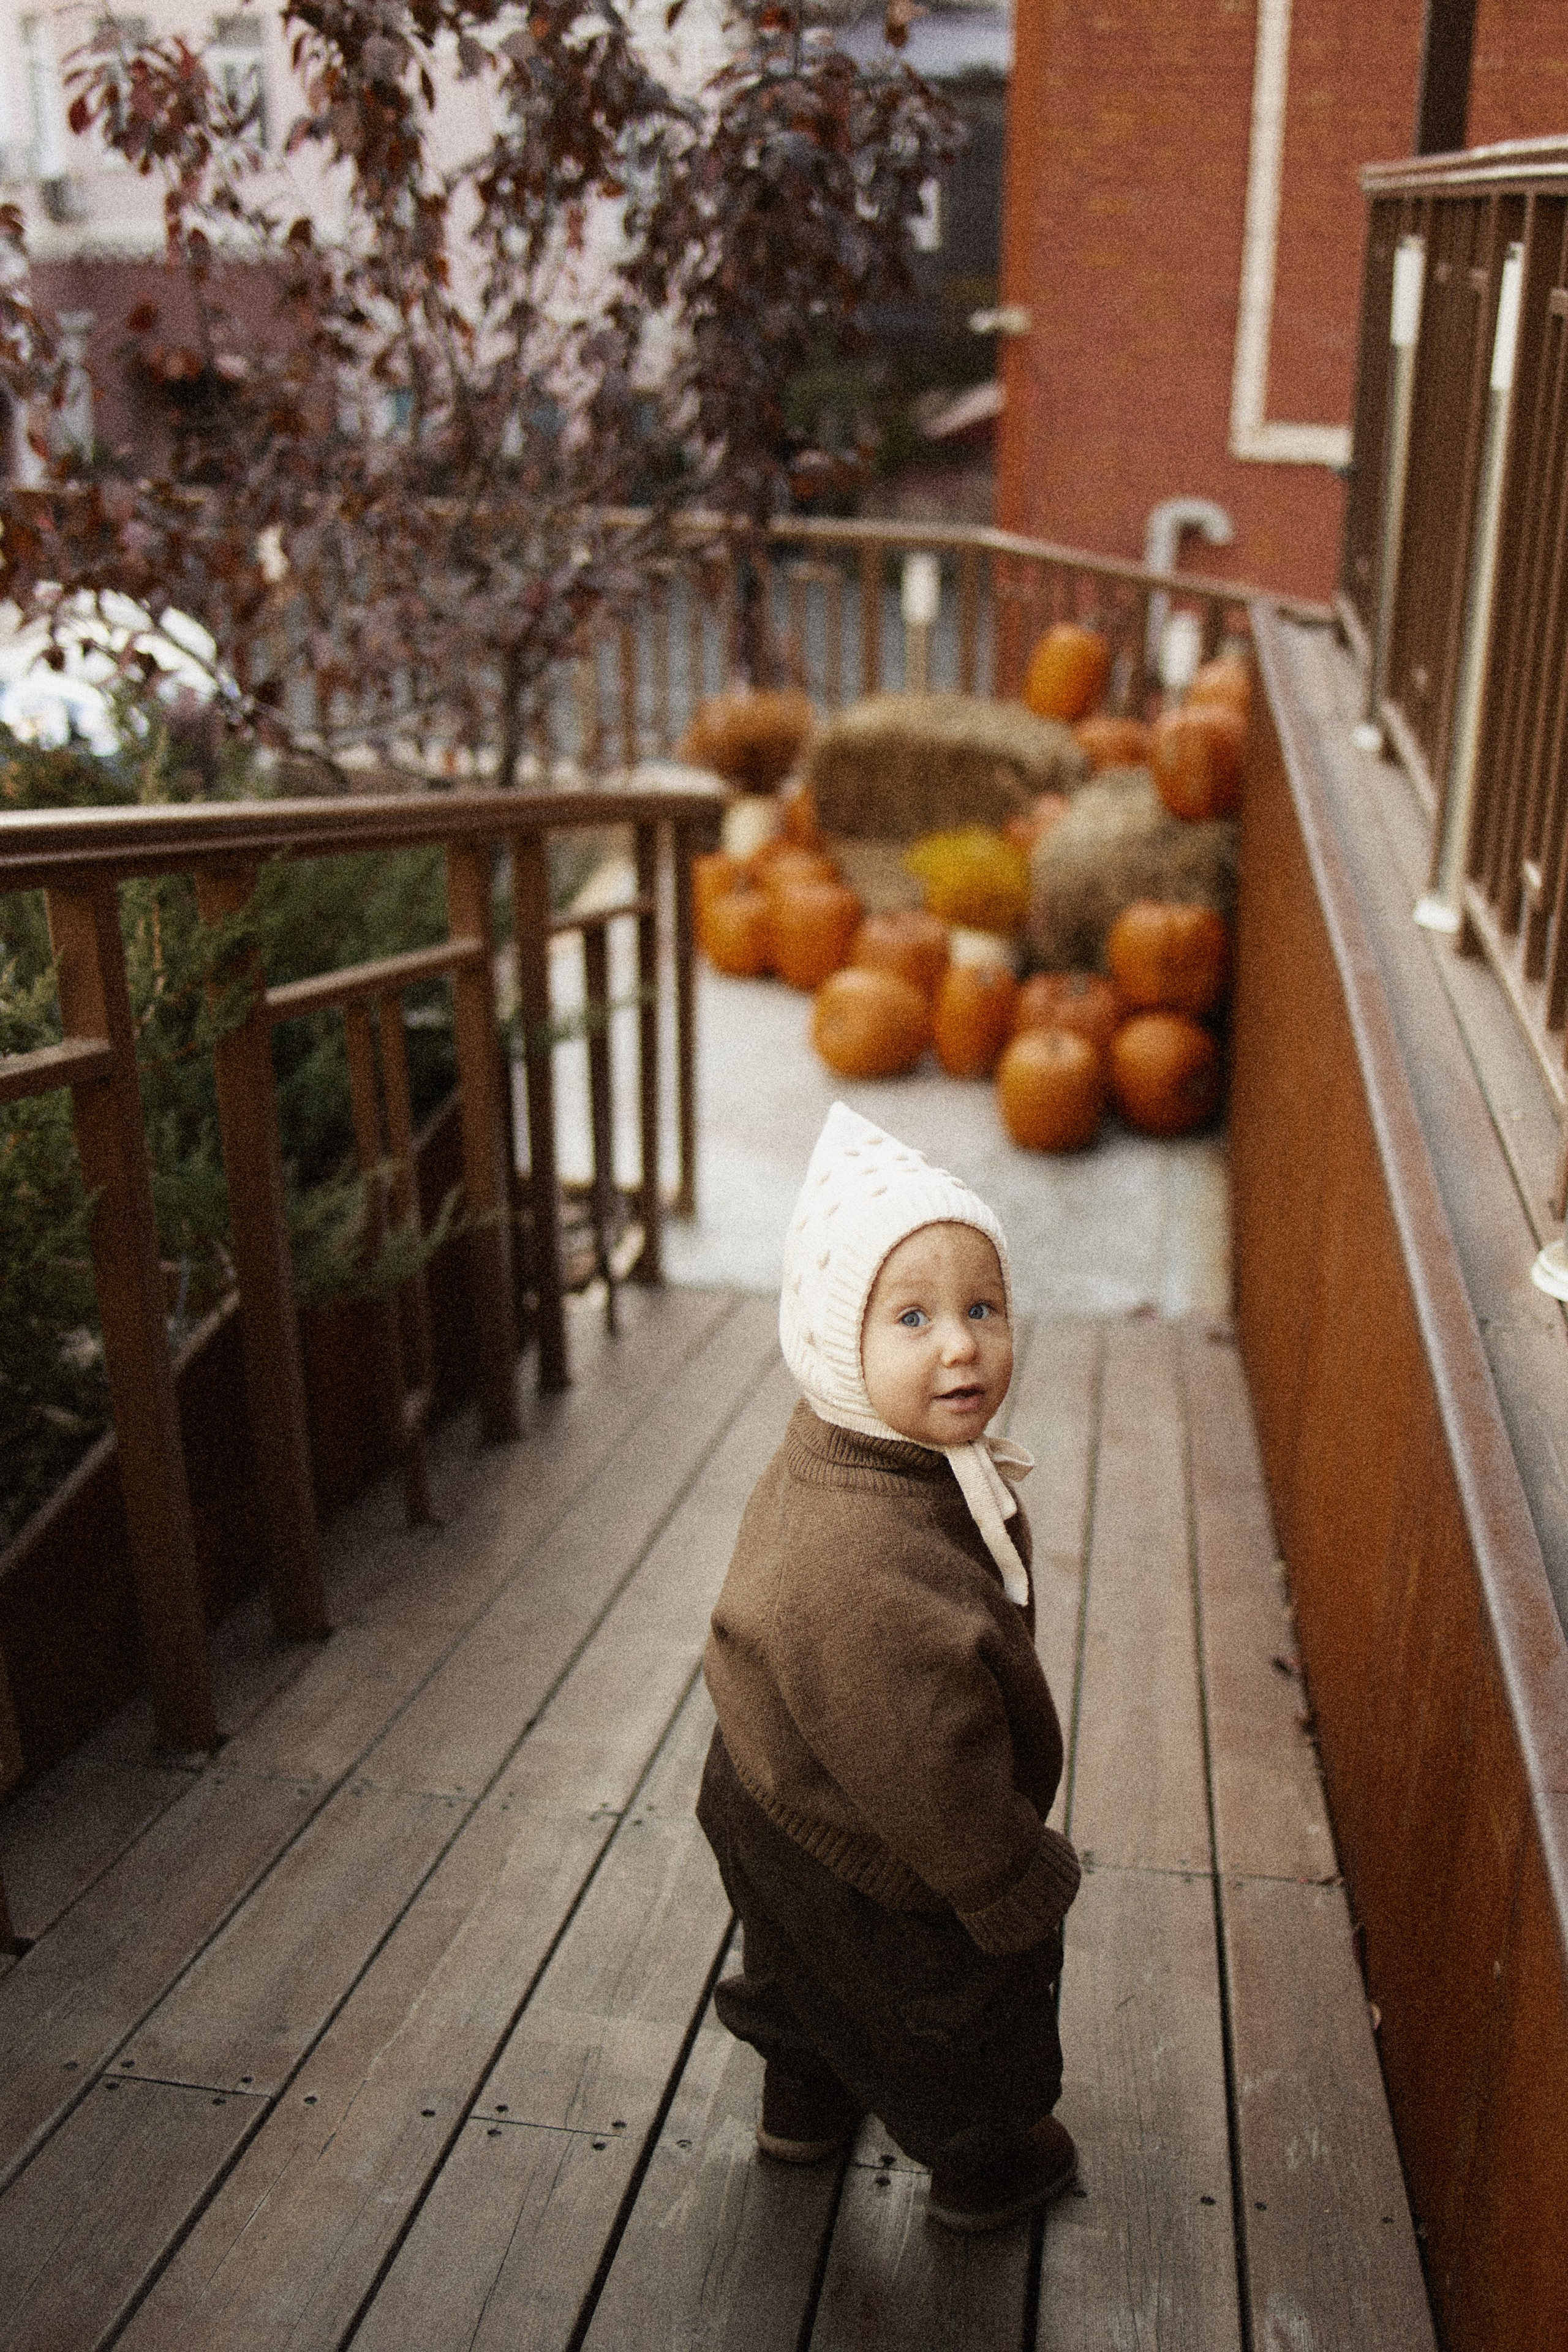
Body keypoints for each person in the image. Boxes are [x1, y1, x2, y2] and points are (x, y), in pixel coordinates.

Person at [696, 1101, 1082, 2232]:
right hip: (865, 1813)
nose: (961, 1343)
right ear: (837, 1345)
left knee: (800, 1964)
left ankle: (804, 2099)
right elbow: (926, 1758)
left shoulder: (868, 1448)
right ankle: (980, 2157)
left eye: (982, 1308)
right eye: (911, 1317)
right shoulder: (867, 1564)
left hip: (771, 1775)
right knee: (948, 1991)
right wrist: (1008, 1880)